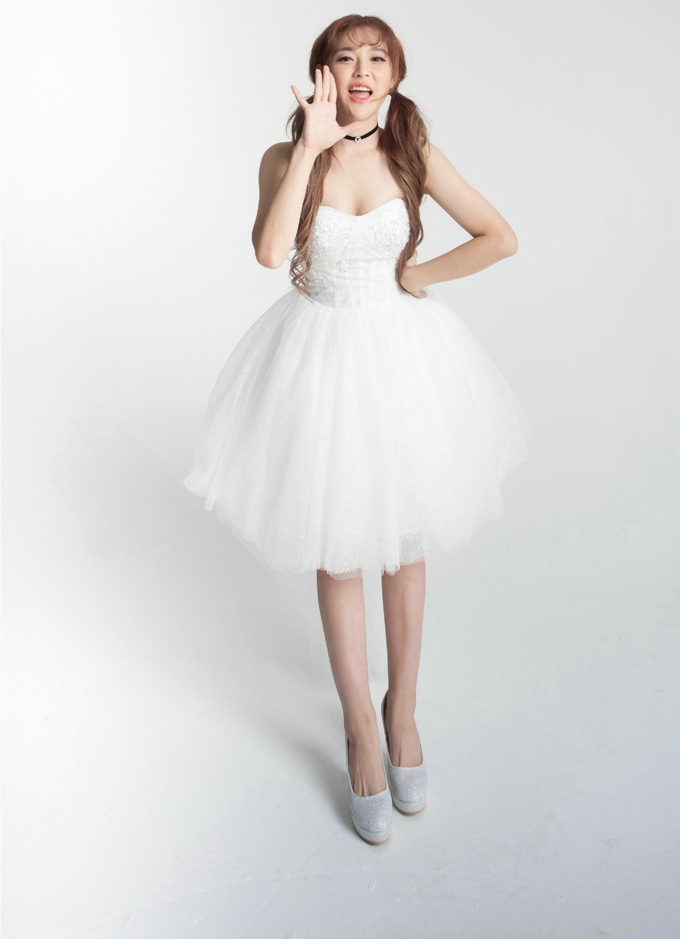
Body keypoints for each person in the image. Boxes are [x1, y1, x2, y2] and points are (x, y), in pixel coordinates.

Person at [184, 14, 533, 844]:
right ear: (323, 75)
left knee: (404, 544)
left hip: (401, 357)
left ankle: (401, 710)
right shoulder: (284, 158)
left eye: (378, 58)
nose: (363, 70)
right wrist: (310, 147)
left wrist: (416, 274)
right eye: (346, 58)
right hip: (318, 359)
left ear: (396, 74)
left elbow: (499, 236)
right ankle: (359, 730)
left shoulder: (412, 152)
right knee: (338, 545)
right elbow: (270, 253)